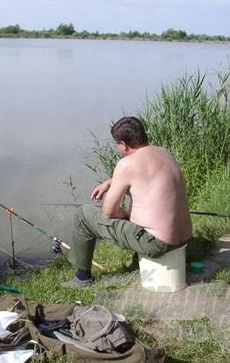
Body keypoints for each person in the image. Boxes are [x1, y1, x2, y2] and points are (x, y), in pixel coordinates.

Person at [62, 116, 192, 288]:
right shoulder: (164, 152)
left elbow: (108, 213)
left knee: (84, 215)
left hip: (158, 244)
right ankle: (136, 263)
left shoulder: (126, 164)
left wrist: (125, 214)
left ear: (123, 144)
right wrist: (111, 181)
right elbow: (146, 180)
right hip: (184, 237)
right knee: (137, 212)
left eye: (117, 144)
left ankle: (81, 278)